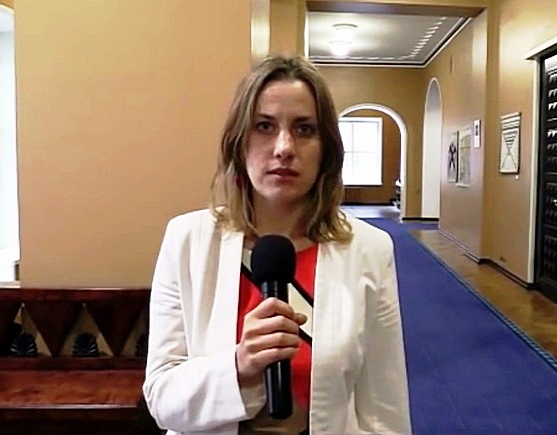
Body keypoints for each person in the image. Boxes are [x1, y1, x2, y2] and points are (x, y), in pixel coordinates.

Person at [143, 55, 411, 435]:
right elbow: (162, 400)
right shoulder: (187, 240)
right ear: (238, 143)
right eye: (265, 126)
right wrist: (239, 366)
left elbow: (384, 408)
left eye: (304, 129)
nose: (284, 147)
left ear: (326, 149)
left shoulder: (369, 249)